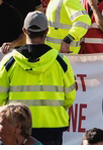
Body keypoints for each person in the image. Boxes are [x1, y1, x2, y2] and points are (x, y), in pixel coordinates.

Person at [0, 11, 76, 145]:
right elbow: (69, 98)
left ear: (24, 31)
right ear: (47, 31)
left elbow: (1, 98)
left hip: (18, 129)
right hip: (53, 127)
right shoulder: (60, 62)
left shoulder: (9, 61)